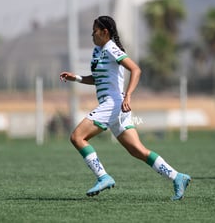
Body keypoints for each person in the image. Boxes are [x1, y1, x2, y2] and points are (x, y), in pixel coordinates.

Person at [60, 15, 191, 200]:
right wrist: (78, 78)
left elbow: (136, 69)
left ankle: (103, 177)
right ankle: (177, 177)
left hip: (113, 103)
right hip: (114, 106)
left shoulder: (111, 48)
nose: (92, 34)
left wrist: (128, 95)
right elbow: (98, 79)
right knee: (137, 150)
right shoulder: (99, 50)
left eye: (95, 30)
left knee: (77, 137)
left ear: (105, 32)